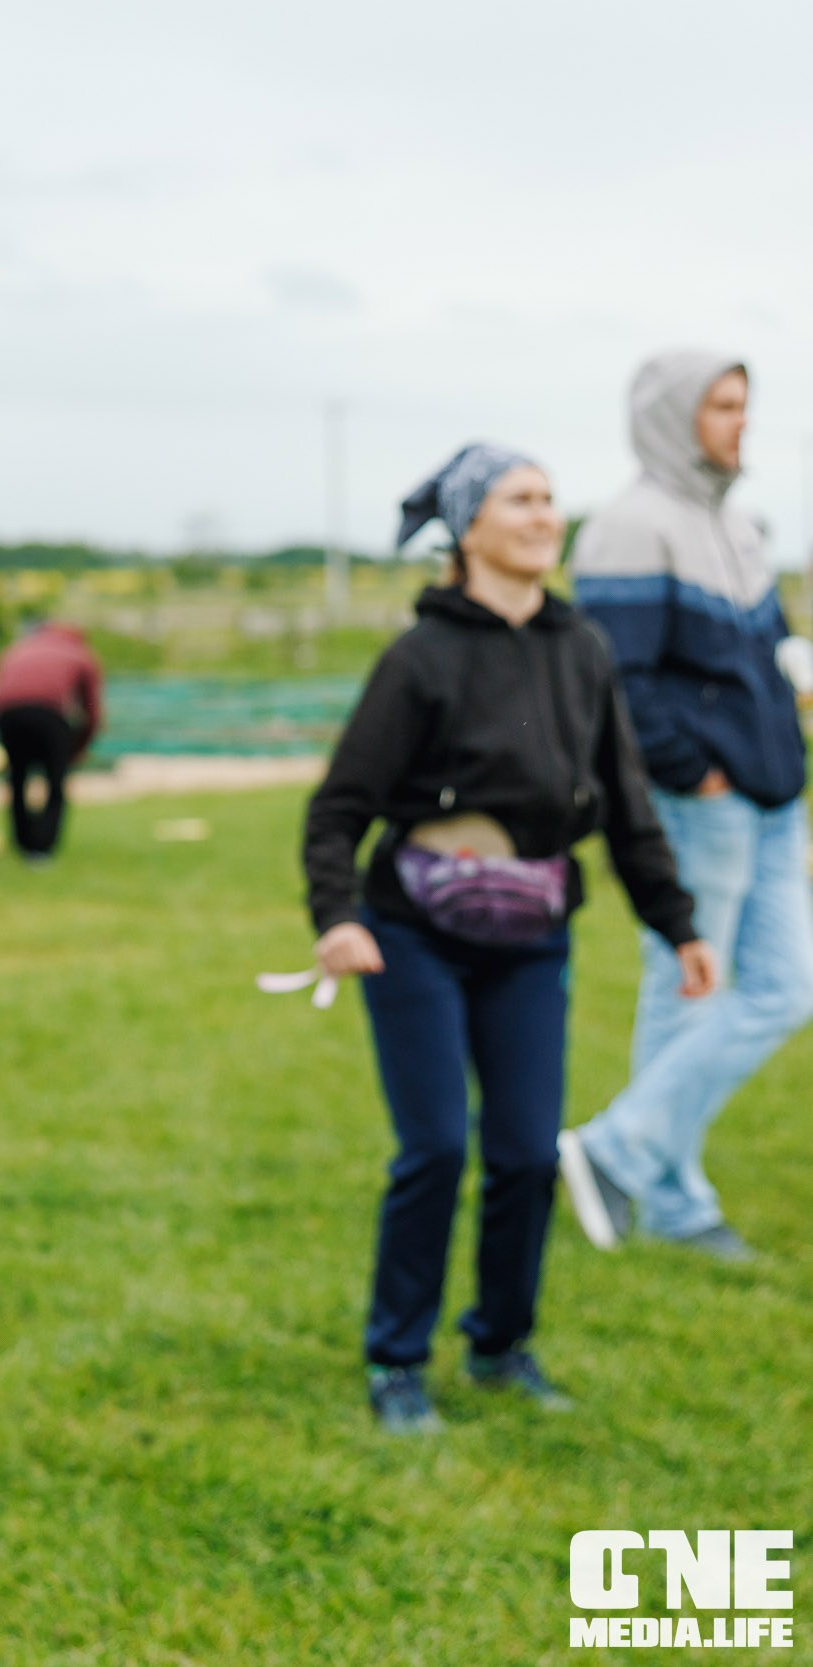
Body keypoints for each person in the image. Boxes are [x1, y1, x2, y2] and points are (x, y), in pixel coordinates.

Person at [303, 442, 712, 1436]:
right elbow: (338, 808)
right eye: (519, 499)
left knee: (527, 1151)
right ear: (468, 524)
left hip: (532, 938)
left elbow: (623, 801)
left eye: (547, 499)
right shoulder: (419, 658)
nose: (542, 515)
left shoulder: (581, 650)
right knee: (438, 1144)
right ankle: (397, 1357)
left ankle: (498, 1343)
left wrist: (676, 922)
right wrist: (339, 917)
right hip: (413, 935)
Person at [559, 352, 813, 1265]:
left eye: (745, 405)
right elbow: (615, 677)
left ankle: (616, 1150)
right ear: (673, 415)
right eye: (722, 406)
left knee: (791, 986)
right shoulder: (629, 527)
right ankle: (672, 1201)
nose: (741, 422)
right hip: (704, 804)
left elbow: (768, 645)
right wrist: (692, 771)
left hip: (776, 799)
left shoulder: (737, 523)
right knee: (688, 987)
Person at [0, 618, 101, 862]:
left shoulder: (19, 648)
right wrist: (78, 748)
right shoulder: (80, 653)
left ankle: (23, 844)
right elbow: (92, 710)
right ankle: (42, 848)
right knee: (55, 782)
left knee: (17, 779)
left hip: (7, 715)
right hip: (50, 715)